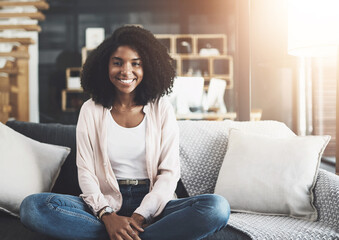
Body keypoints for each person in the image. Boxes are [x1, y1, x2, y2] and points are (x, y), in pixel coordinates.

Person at [20, 25, 230, 240]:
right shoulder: (91, 110)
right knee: (33, 208)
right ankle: (132, 234)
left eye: (135, 64)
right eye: (117, 63)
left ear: (148, 67)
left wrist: (140, 216)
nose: (126, 71)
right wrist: (107, 215)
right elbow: (86, 172)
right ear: (105, 66)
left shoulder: (161, 108)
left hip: (154, 202)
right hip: (104, 202)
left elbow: (169, 174)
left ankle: (124, 234)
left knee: (217, 208)